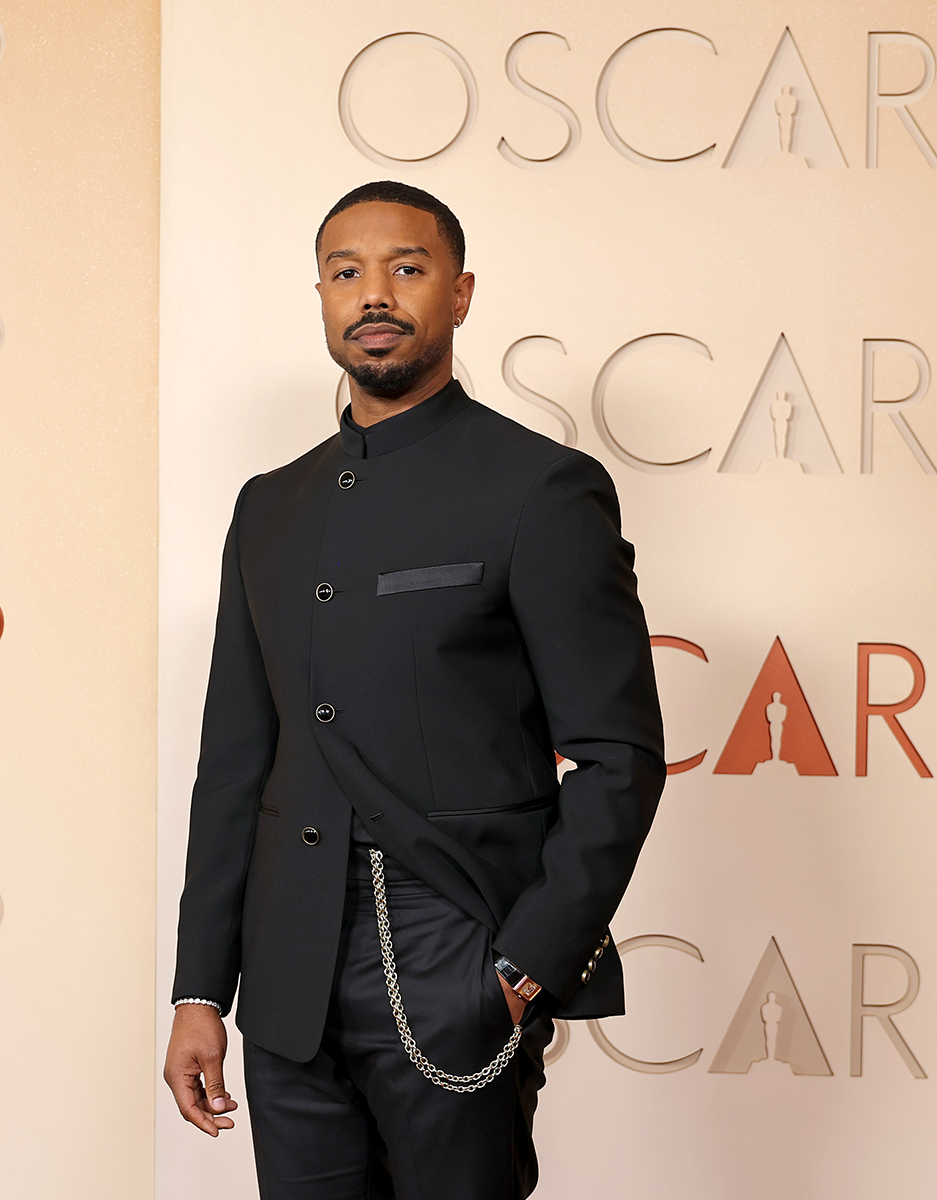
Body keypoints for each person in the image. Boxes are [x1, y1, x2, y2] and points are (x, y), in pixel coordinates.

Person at [164, 180, 665, 1199]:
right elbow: (235, 762)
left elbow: (620, 755)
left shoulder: (541, 489)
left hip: (452, 951)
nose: (374, 295)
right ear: (320, 296)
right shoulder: (269, 506)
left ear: (461, 293)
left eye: (407, 267)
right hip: (286, 971)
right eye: (347, 273)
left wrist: (524, 968)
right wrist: (199, 988)